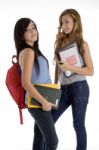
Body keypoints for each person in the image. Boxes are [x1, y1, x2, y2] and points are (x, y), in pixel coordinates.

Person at [51, 8, 94, 150]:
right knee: (48, 121)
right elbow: (58, 69)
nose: (64, 26)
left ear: (76, 22)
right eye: (62, 23)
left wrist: (69, 67)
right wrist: (53, 89)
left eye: (67, 22)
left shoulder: (83, 44)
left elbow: (90, 71)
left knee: (78, 125)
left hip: (79, 88)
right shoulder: (59, 43)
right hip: (62, 89)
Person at [14, 17, 58, 150]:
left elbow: (41, 77)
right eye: (27, 30)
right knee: (52, 141)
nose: (32, 31)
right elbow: (26, 83)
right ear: (21, 35)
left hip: (44, 99)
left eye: (33, 27)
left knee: (39, 139)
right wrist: (44, 102)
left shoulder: (34, 50)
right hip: (38, 102)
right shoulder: (28, 52)